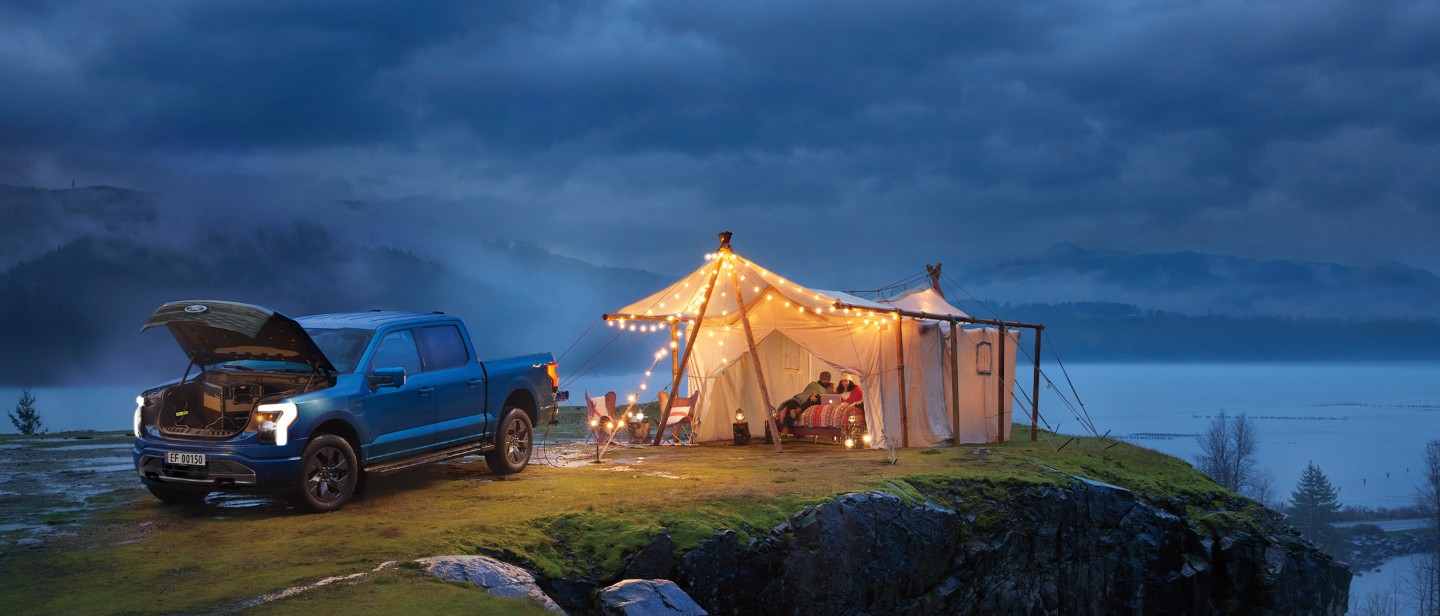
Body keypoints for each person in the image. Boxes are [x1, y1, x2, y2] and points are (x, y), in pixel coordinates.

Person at [776, 371, 834, 435]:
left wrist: (815, 395)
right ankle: (785, 428)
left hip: (815, 400)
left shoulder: (830, 391)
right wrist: (811, 395)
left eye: (828, 380)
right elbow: (807, 392)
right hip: (803, 398)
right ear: (820, 379)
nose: (826, 381)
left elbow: (829, 399)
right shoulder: (813, 384)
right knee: (792, 402)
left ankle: (798, 410)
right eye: (824, 379)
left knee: (816, 398)